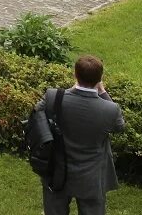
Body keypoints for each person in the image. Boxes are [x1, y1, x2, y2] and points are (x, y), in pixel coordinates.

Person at [41, 54, 124, 215]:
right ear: (100, 78)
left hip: (57, 171)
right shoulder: (110, 109)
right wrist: (103, 91)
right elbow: (120, 127)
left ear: (75, 74)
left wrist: (69, 90)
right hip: (91, 177)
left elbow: (36, 115)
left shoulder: (53, 97)